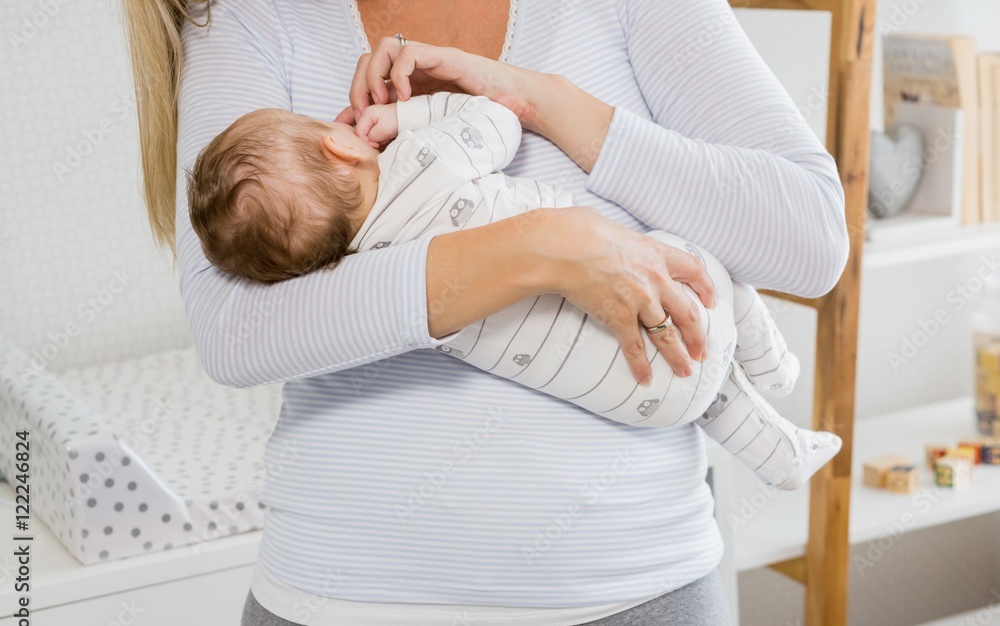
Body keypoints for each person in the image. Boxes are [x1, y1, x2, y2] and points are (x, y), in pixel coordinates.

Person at [122, 0, 849, 626]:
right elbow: (234, 327)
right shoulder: (253, 18)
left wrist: (543, 100)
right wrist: (543, 248)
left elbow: (809, 238)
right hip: (345, 614)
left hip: (627, 595)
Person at [185, 90, 840, 491]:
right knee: (708, 267)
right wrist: (405, 115)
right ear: (343, 146)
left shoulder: (358, 276)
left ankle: (781, 456)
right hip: (677, 313)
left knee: (702, 394)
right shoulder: (422, 158)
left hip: (632, 399)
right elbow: (497, 119)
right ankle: (772, 363)